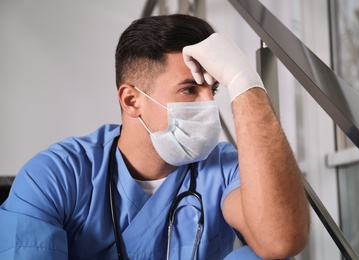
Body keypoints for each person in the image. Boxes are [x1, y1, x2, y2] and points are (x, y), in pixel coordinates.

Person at [0, 14, 309, 259]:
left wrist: (244, 81)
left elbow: (279, 241)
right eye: (190, 89)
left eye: (213, 90)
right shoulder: (55, 175)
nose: (209, 105)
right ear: (132, 100)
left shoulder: (223, 166)